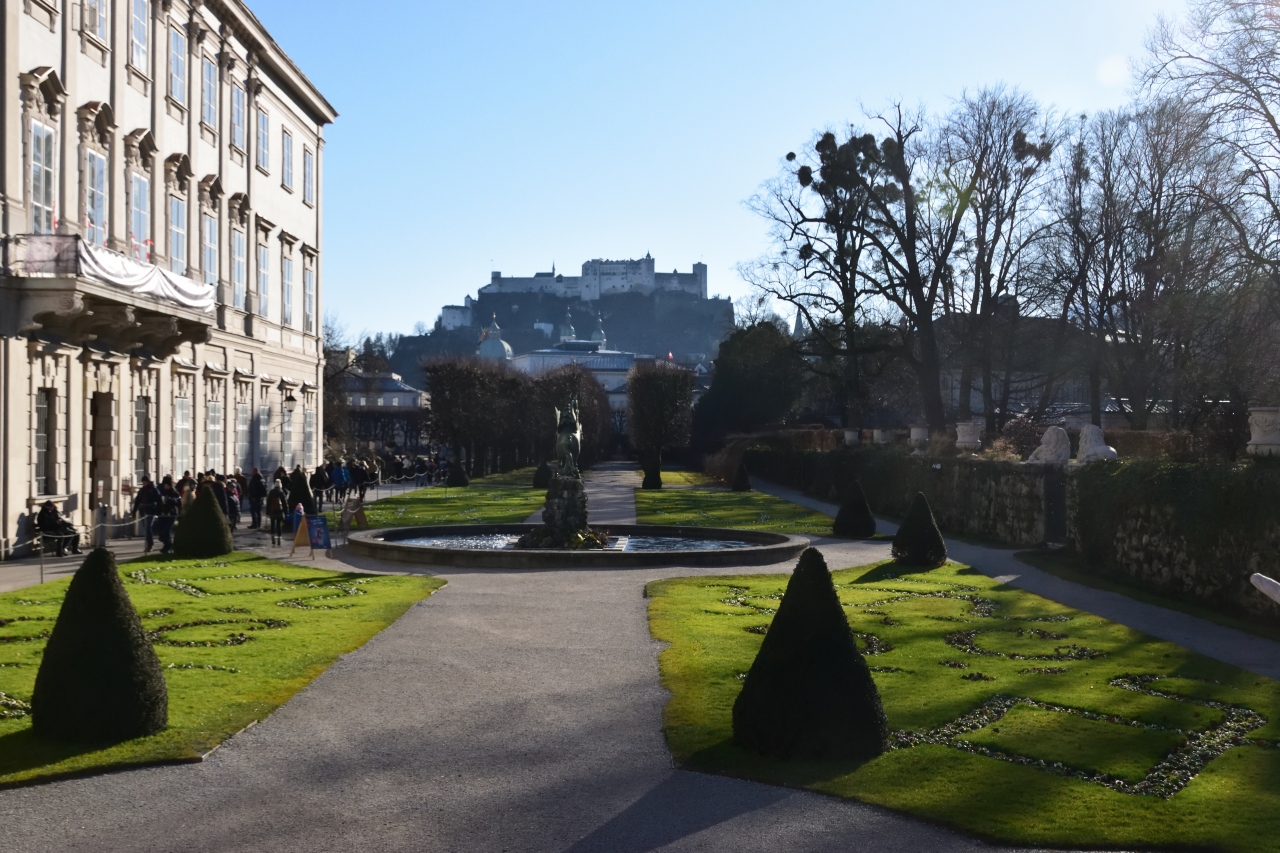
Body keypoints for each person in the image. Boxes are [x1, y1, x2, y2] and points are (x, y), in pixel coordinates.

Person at [131, 475, 161, 554]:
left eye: (144, 482)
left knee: (148, 527)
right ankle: (149, 543)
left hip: (151, 511)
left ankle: (150, 545)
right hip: (143, 511)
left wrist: (158, 510)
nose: (143, 483)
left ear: (147, 482)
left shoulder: (153, 490)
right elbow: (137, 501)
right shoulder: (142, 490)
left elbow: (159, 500)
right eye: (143, 482)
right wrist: (134, 511)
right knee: (146, 528)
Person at [155, 476, 180, 554]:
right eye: (165, 485)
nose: (166, 486)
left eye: (167, 485)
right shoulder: (162, 492)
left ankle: (167, 546)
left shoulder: (174, 492)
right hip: (163, 513)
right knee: (162, 530)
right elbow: (159, 502)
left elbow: (178, 501)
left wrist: (170, 500)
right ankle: (168, 544)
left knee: (167, 530)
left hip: (171, 513)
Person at [266, 479, 286, 546]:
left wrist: (267, 512)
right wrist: (286, 512)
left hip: (272, 511)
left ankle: (272, 537)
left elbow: (268, 502)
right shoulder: (281, 492)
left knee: (272, 524)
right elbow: (284, 503)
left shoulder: (271, 492)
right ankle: (279, 538)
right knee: (278, 525)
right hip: (279, 511)